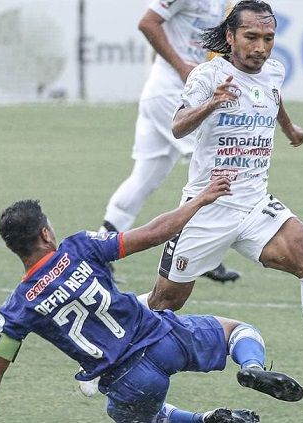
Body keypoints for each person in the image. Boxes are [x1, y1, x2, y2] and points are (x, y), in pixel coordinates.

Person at [0, 178, 303, 423]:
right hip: (162, 337)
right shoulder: (79, 247)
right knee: (237, 332)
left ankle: (206, 420)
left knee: (143, 416)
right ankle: (251, 368)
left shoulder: (16, 310)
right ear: (46, 233)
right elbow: (153, 234)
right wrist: (199, 200)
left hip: (126, 379)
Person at [141, 0, 303, 396]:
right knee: (164, 303)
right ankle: (106, 350)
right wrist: (213, 103)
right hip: (206, 207)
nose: (260, 47)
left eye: (268, 38)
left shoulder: (274, 70)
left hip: (254, 204)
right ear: (231, 36)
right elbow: (179, 126)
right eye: (251, 37)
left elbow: (274, 96)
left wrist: (290, 128)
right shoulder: (207, 74)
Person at [99, 0, 240, 283]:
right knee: (214, 166)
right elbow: (147, 22)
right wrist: (180, 67)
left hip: (173, 93)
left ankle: (100, 254)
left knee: (143, 179)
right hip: (170, 94)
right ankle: (201, 252)